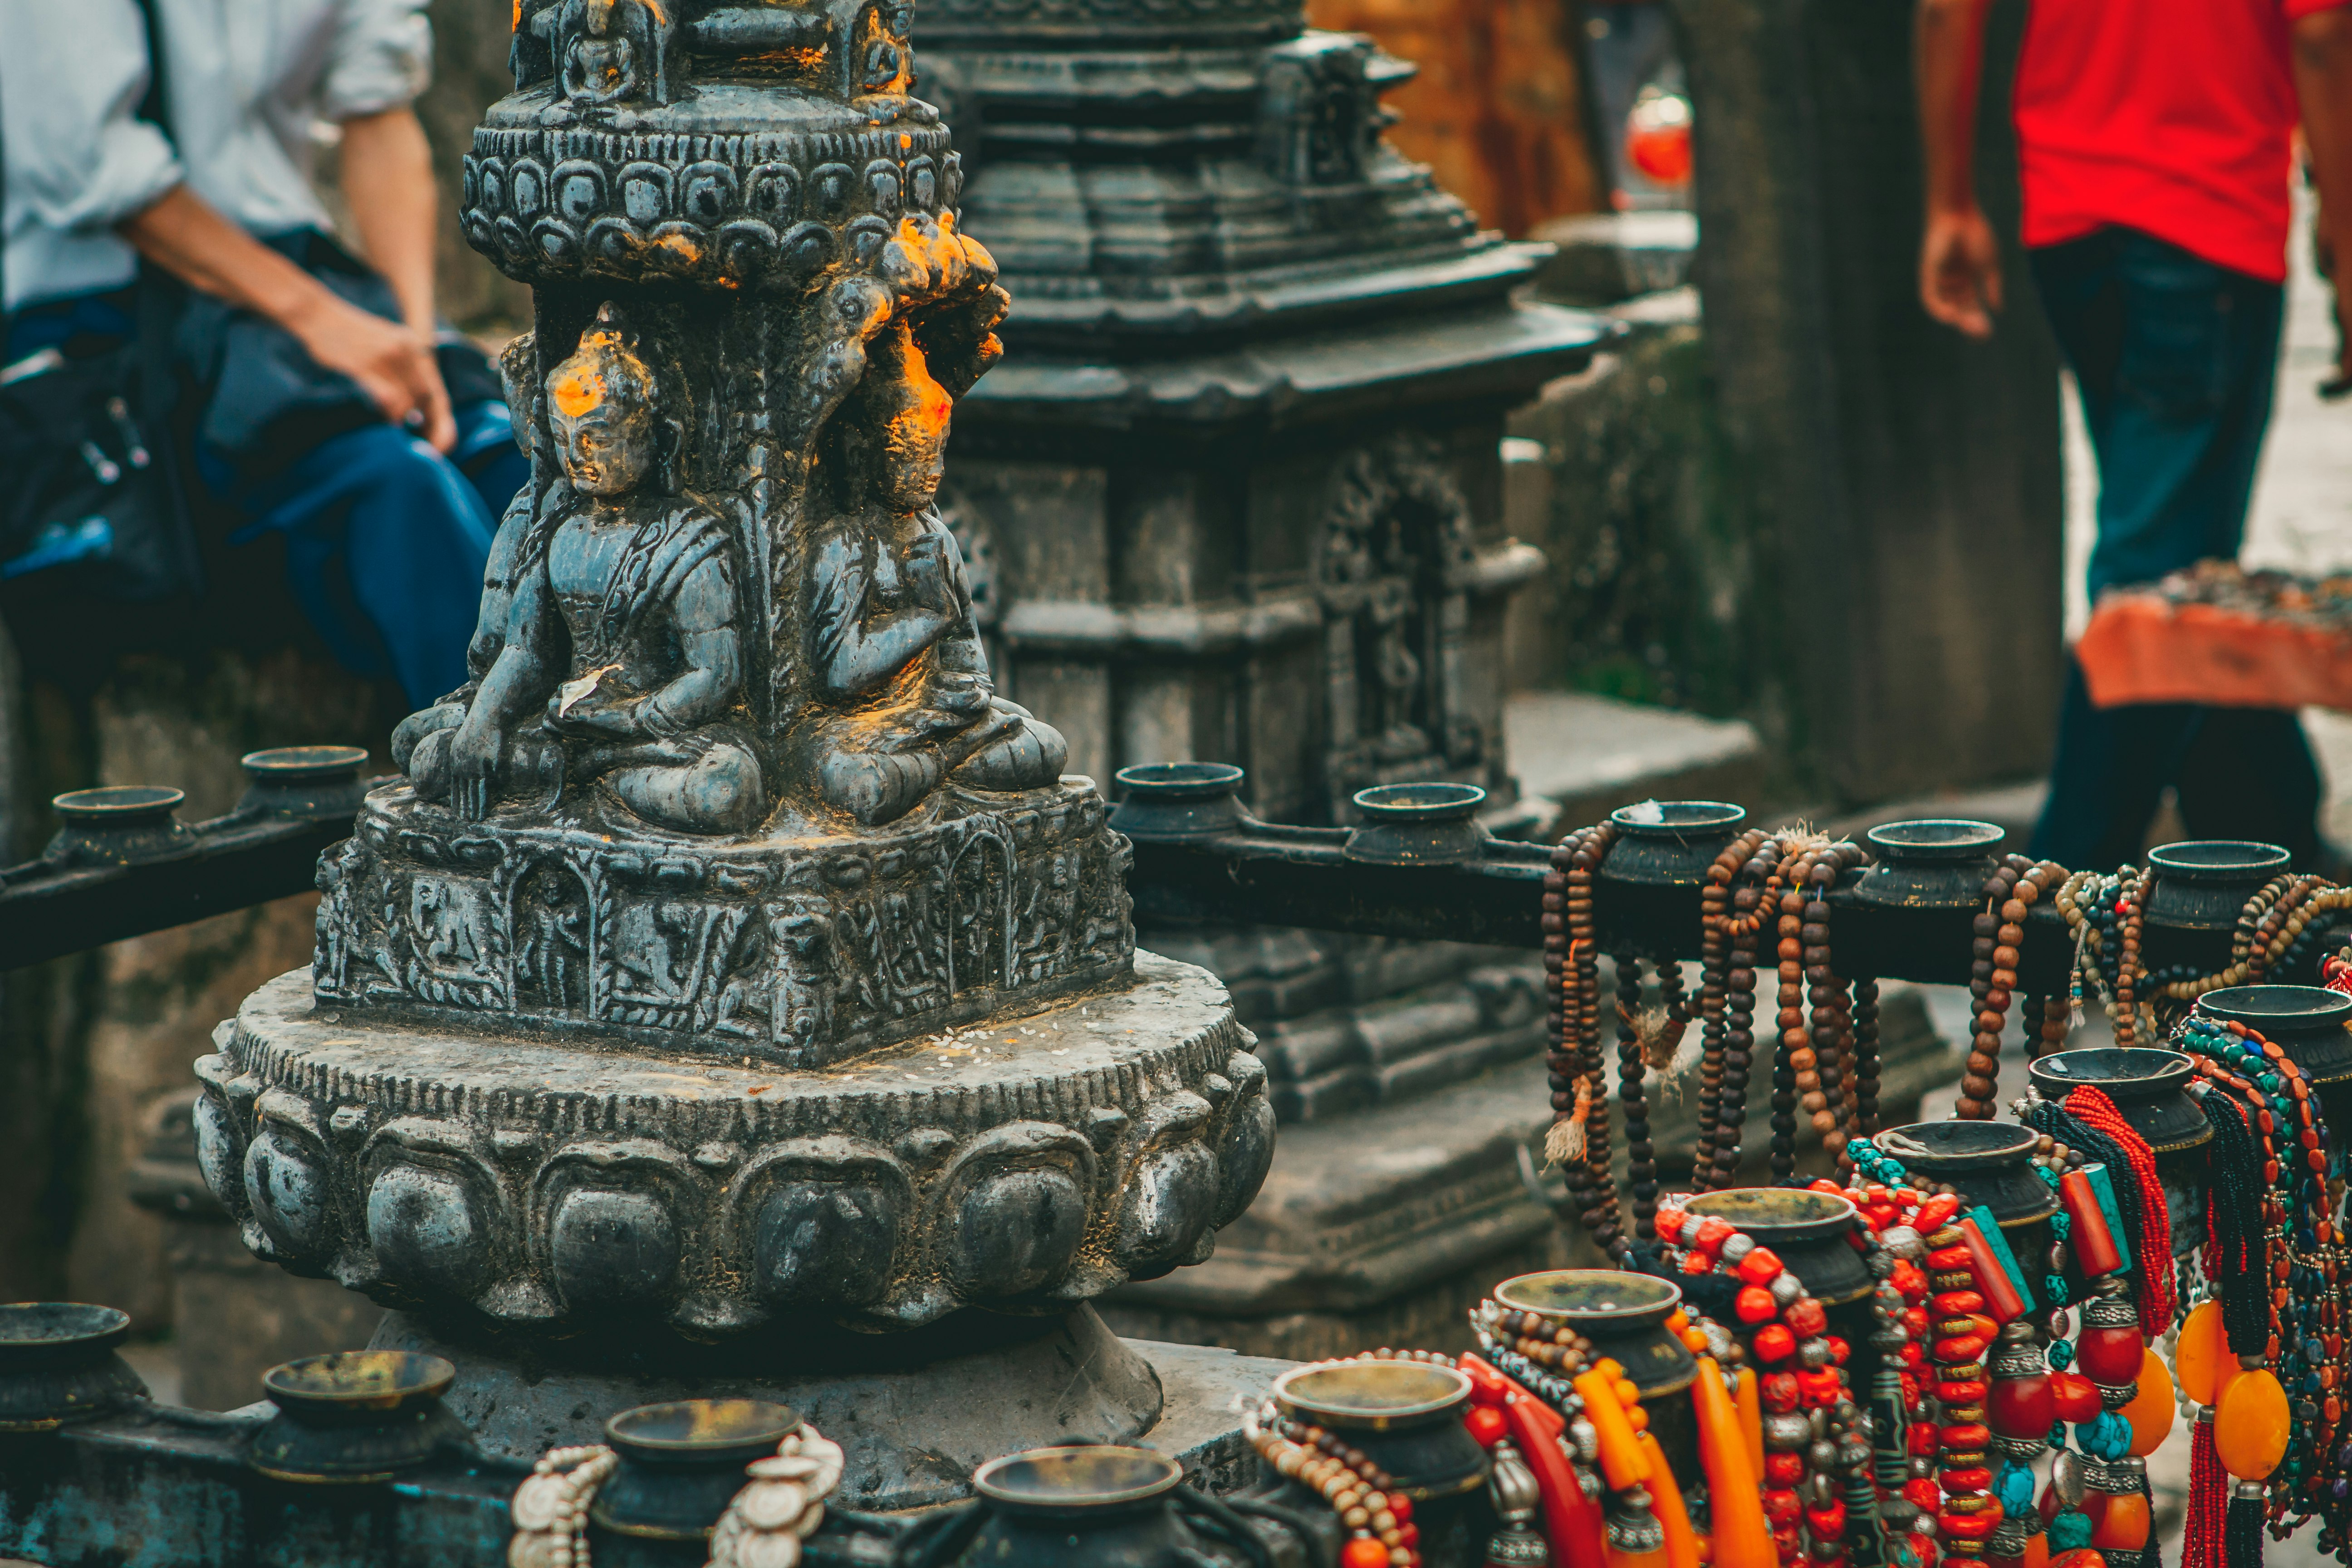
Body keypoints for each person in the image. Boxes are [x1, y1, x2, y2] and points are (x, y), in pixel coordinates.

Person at [1915, 0, 2352, 869]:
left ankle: (2271, 832)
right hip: (2208, 218)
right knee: (2151, 581)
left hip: (2072, 232)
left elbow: (1940, 11)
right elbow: (2321, 33)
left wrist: (1950, 202)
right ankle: (2050, 906)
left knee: (2172, 549)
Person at [0, 0, 523, 710]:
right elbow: (90, 164)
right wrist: (320, 323)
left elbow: (378, 106)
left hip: (298, 294)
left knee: (509, 461)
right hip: (119, 321)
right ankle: (507, 777)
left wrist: (413, 338)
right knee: (397, 491)